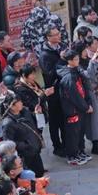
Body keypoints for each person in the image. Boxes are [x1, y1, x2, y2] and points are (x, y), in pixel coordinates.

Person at [57, 48, 92, 167]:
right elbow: (74, 96)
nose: (78, 61)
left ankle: (80, 151)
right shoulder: (68, 77)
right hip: (72, 110)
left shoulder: (77, 71)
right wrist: (85, 106)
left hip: (80, 108)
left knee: (81, 131)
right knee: (73, 134)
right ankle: (72, 155)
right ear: (70, 61)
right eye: (76, 59)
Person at [37, 27, 66, 157]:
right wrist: (60, 59)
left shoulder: (63, 46)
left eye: (59, 34)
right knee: (55, 120)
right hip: (53, 91)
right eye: (55, 35)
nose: (59, 36)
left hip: (65, 87)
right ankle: (57, 146)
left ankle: (67, 142)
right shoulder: (45, 54)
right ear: (48, 38)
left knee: (65, 117)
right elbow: (48, 74)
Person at [1, 93, 45, 177]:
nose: (21, 103)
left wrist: (38, 114)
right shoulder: (8, 123)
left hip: (35, 150)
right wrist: (26, 145)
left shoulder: (26, 112)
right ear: (12, 106)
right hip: (25, 155)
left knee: (40, 173)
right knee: (30, 178)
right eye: (19, 101)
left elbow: (38, 126)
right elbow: (8, 143)